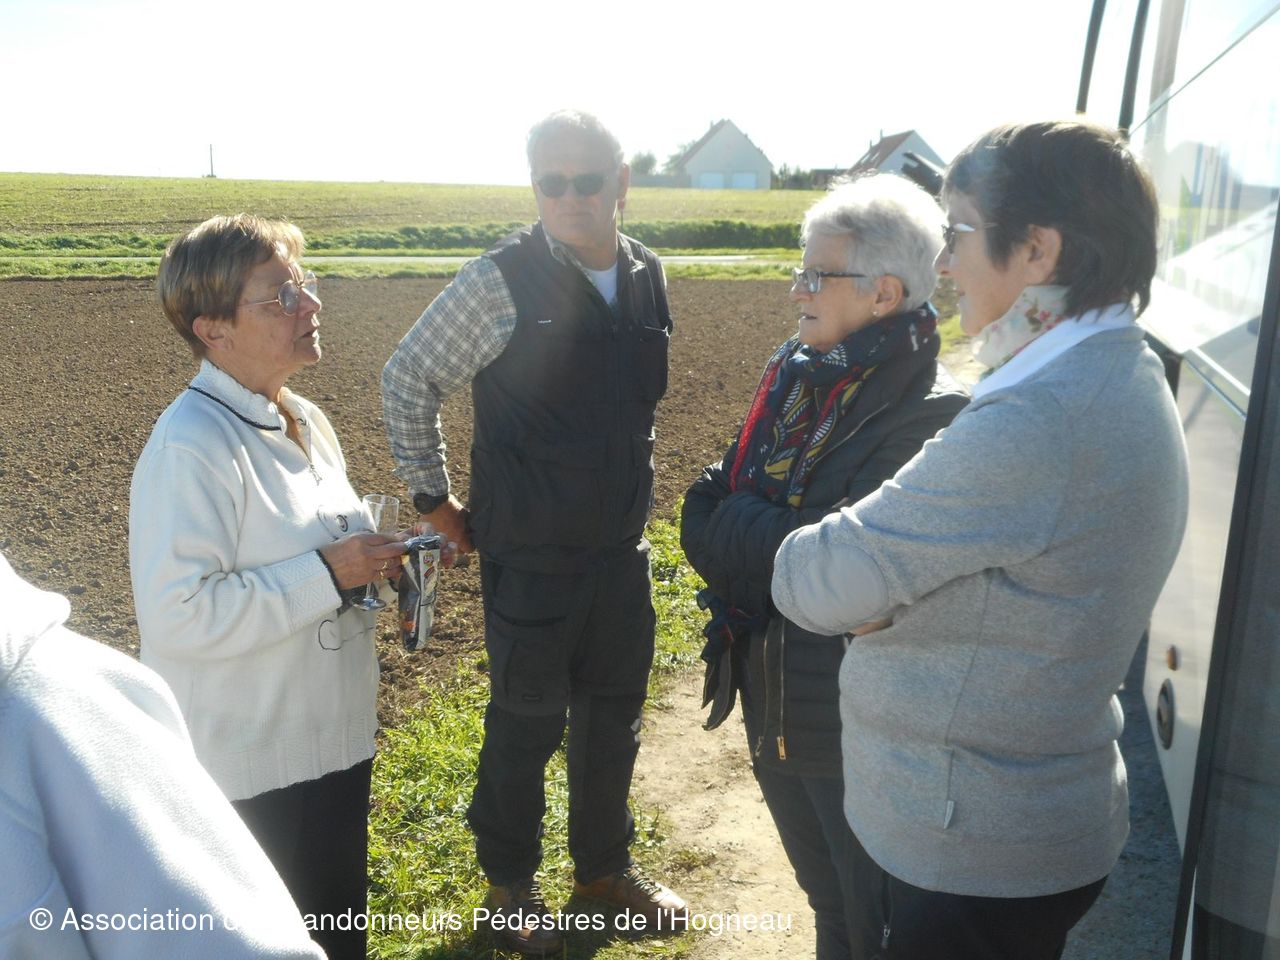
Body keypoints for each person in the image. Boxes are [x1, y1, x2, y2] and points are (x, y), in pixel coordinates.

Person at [771, 120, 1190, 960]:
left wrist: (879, 596)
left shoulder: (1037, 419)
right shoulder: (1110, 367)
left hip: (968, 847)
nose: (943, 263)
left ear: (1036, 249)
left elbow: (813, 582)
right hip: (1015, 819)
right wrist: (902, 593)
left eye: (957, 231)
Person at [381, 109, 684, 956]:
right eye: (551, 183)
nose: (570, 197)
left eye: (587, 180)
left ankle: (603, 873)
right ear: (534, 188)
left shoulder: (648, 274)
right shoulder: (498, 281)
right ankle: (509, 890)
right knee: (526, 722)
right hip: (532, 559)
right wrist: (435, 501)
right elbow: (408, 376)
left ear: (621, 183)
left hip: (619, 553)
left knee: (613, 720)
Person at [680, 174, 967, 958]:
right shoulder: (797, 376)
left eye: (816, 274)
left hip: (848, 722)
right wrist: (775, 537)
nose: (795, 289)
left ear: (884, 292)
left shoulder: (932, 417)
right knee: (827, 904)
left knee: (869, 922)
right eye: (799, 269)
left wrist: (748, 529)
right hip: (769, 692)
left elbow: (842, 575)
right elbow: (700, 508)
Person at [129, 214, 410, 960]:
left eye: (304, 284)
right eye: (281, 296)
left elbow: (330, 555)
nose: (310, 304)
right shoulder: (191, 444)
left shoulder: (304, 419)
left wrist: (387, 565)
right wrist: (330, 571)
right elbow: (179, 614)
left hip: (333, 748)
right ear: (212, 329)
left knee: (335, 940)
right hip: (250, 781)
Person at [0, 552, 325, 959]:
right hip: (245, 757)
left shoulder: (52, 707)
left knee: (330, 889)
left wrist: (334, 573)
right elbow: (178, 612)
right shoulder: (43, 715)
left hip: (324, 737)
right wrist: (326, 573)